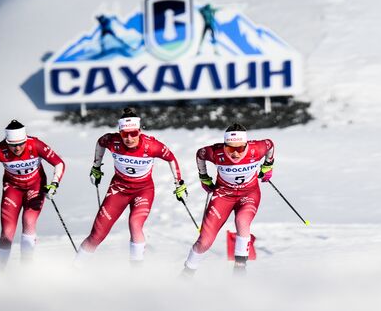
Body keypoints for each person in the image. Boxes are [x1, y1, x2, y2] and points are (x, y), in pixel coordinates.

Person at [75, 108, 187, 265]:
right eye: (124, 134)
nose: (129, 138)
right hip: (118, 189)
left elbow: (171, 158)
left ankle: (136, 272)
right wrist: (96, 166)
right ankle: (76, 268)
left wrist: (179, 183)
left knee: (135, 223)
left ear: (139, 131)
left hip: (143, 190)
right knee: (97, 234)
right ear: (119, 132)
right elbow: (101, 142)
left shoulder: (151, 146)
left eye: (133, 133)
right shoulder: (112, 141)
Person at [182, 123, 275, 274]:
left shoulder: (256, 149)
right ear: (224, 145)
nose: (235, 153)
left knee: (242, 221)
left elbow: (270, 145)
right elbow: (200, 154)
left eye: (240, 148)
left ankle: (239, 270)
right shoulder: (215, 152)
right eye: (231, 148)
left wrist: (268, 166)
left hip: (249, 194)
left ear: (246, 144)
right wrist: (203, 177)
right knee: (204, 242)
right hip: (223, 195)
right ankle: (187, 272)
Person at [0, 120, 65, 269]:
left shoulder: (36, 145)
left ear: (25, 139)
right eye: (12, 145)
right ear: (7, 142)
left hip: (35, 186)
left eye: (20, 144)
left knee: (29, 221)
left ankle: (26, 269)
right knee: (7, 233)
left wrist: (54, 184)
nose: (17, 148)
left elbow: (59, 163)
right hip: (13, 189)